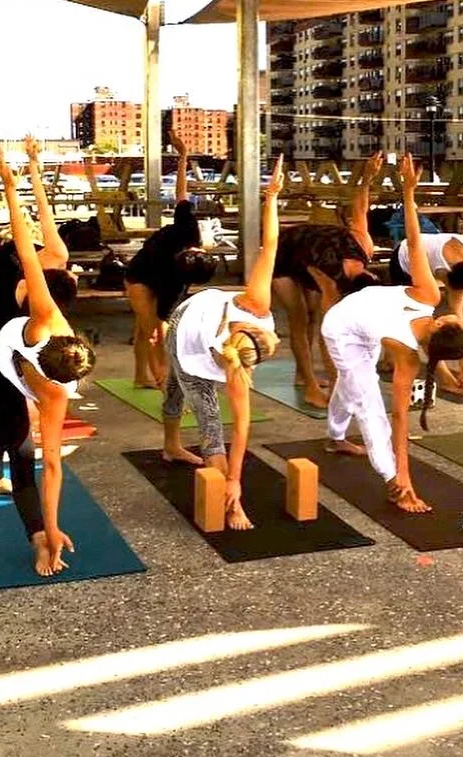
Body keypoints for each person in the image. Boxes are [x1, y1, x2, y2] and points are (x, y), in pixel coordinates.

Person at [317, 153, 463, 513]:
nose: (458, 314)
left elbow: (401, 420)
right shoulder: (427, 295)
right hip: (343, 325)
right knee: (362, 395)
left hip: (354, 327)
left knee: (360, 395)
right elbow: (416, 242)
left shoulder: (407, 353)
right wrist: (408, 193)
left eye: (458, 319)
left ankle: (347, 447)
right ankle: (386, 477)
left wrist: (405, 472)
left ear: (442, 324)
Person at [0, 148, 97, 577]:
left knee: (24, 456)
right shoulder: (48, 322)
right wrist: (20, 179)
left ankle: (36, 539)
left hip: (12, 369)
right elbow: (28, 248)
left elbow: (52, 468)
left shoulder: (55, 383)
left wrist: (51, 529)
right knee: (2, 429)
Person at [161, 158, 285, 525]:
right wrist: (231, 486)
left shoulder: (255, 306)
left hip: (207, 317)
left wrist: (273, 197)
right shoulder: (235, 352)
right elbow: (229, 429)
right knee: (203, 414)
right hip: (184, 327)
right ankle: (221, 499)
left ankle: (173, 449)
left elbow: (271, 245)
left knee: (177, 393)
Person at [0, 137, 78, 491]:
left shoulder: (48, 296)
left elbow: (40, 218)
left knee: (23, 425)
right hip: (2, 349)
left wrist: (32, 168)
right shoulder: (28, 294)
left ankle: (20, 496)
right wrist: (11, 185)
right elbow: (26, 229)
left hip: (21, 333)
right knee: (10, 423)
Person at [388, 138, 463, 395]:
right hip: (403, 258)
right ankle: (441, 376)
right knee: (419, 320)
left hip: (419, 251)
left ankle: (390, 359)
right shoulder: (453, 281)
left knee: (427, 316)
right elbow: (458, 319)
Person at [271, 154, 381, 408]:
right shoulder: (329, 282)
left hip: (306, 254)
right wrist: (336, 388)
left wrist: (368, 177)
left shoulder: (364, 246)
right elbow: (328, 338)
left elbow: (360, 208)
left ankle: (303, 373)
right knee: (301, 319)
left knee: (313, 315)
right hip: (283, 255)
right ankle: (309, 385)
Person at [123, 132, 219, 390]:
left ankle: (145, 376)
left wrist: (183, 156)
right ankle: (162, 383)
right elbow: (181, 193)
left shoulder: (178, 280)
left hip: (160, 280)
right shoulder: (188, 229)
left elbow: (162, 328)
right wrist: (183, 156)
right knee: (148, 327)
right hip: (140, 276)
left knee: (150, 329)